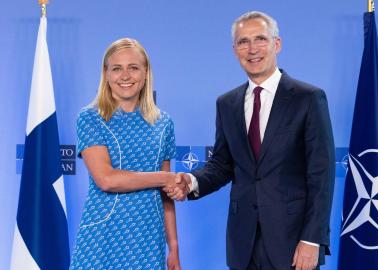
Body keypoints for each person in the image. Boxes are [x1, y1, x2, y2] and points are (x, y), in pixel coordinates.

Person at [167, 11, 335, 270]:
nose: (252, 49)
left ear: (276, 44)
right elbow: (222, 165)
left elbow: (321, 175)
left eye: (260, 39)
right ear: (235, 50)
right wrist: (192, 182)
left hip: (292, 242)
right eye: (243, 41)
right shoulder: (227, 104)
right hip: (242, 242)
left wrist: (312, 239)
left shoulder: (308, 98)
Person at [70, 38, 181, 270]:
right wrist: (163, 178)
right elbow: (106, 180)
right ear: (106, 73)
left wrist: (174, 247)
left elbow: (166, 195)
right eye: (117, 68)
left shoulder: (164, 123)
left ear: (146, 72)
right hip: (104, 236)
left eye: (133, 67)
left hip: (149, 237)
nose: (125, 76)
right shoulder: (90, 118)